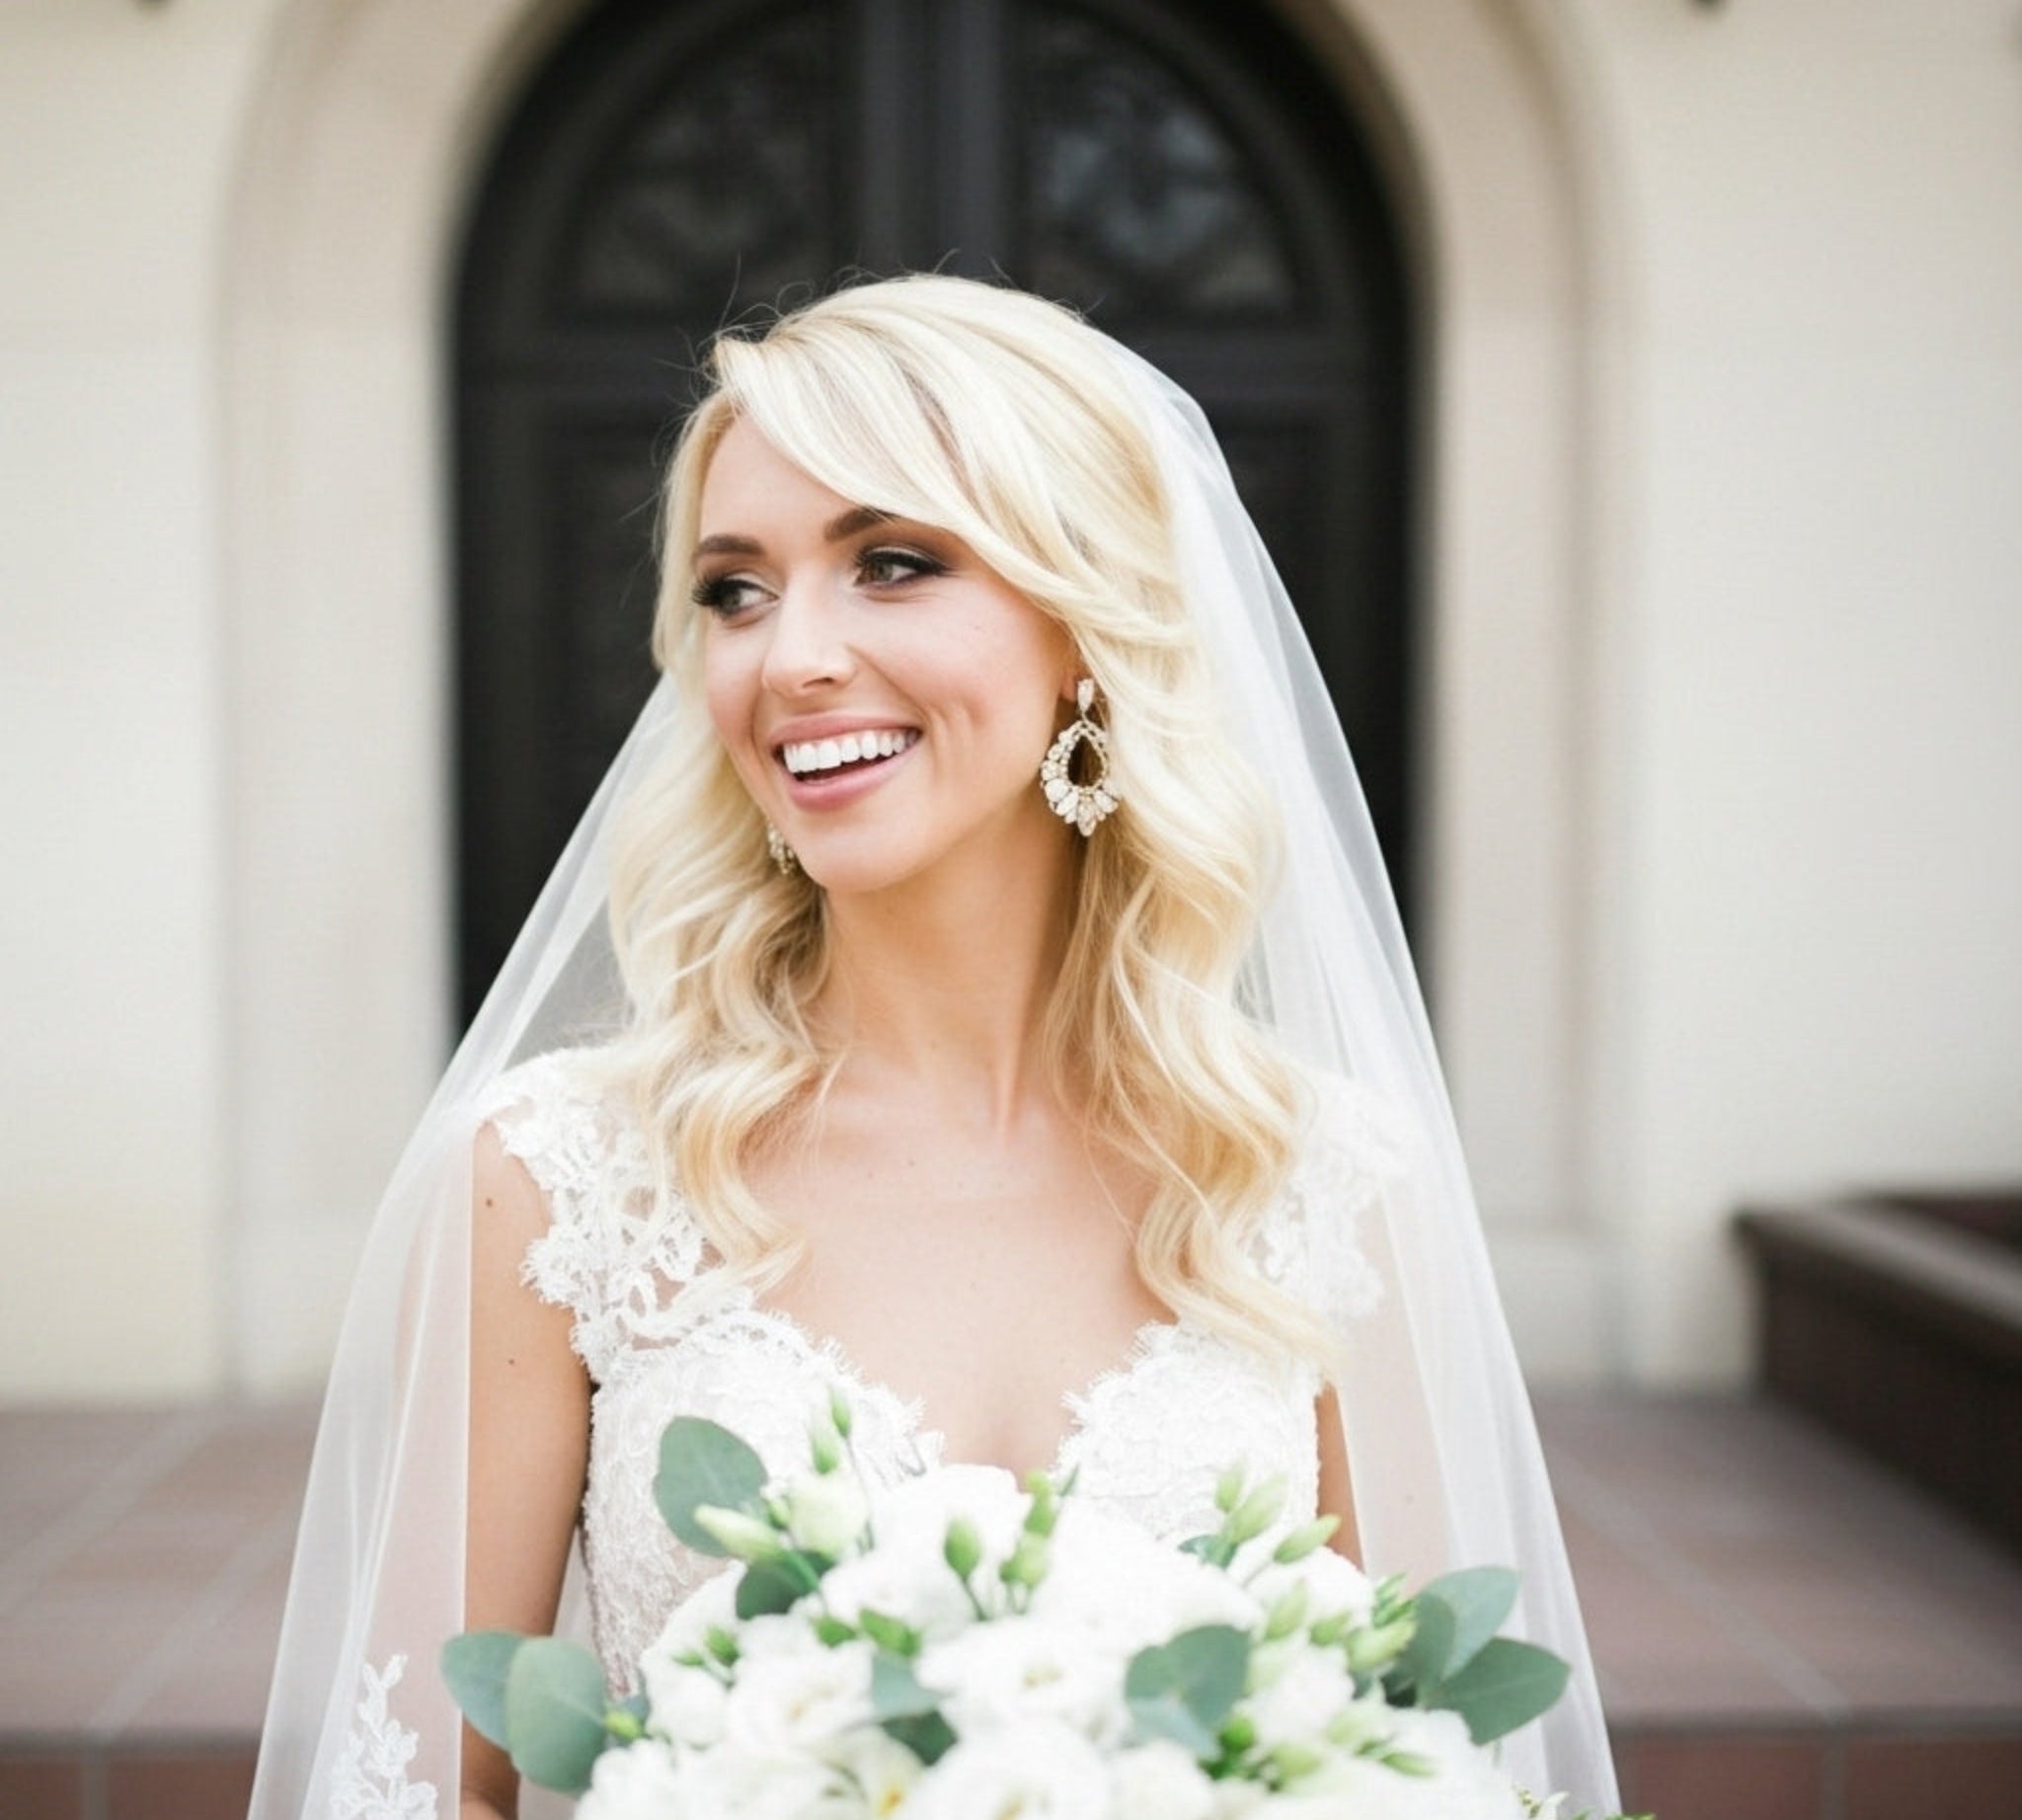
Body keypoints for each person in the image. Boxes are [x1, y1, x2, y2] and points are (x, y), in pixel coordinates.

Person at [249, 275, 1619, 1819]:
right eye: (735, 590)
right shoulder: (563, 1186)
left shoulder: (1315, 1184)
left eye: (892, 565)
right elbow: (417, 1783)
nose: (792, 658)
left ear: (1086, 630)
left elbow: (1423, 1758)